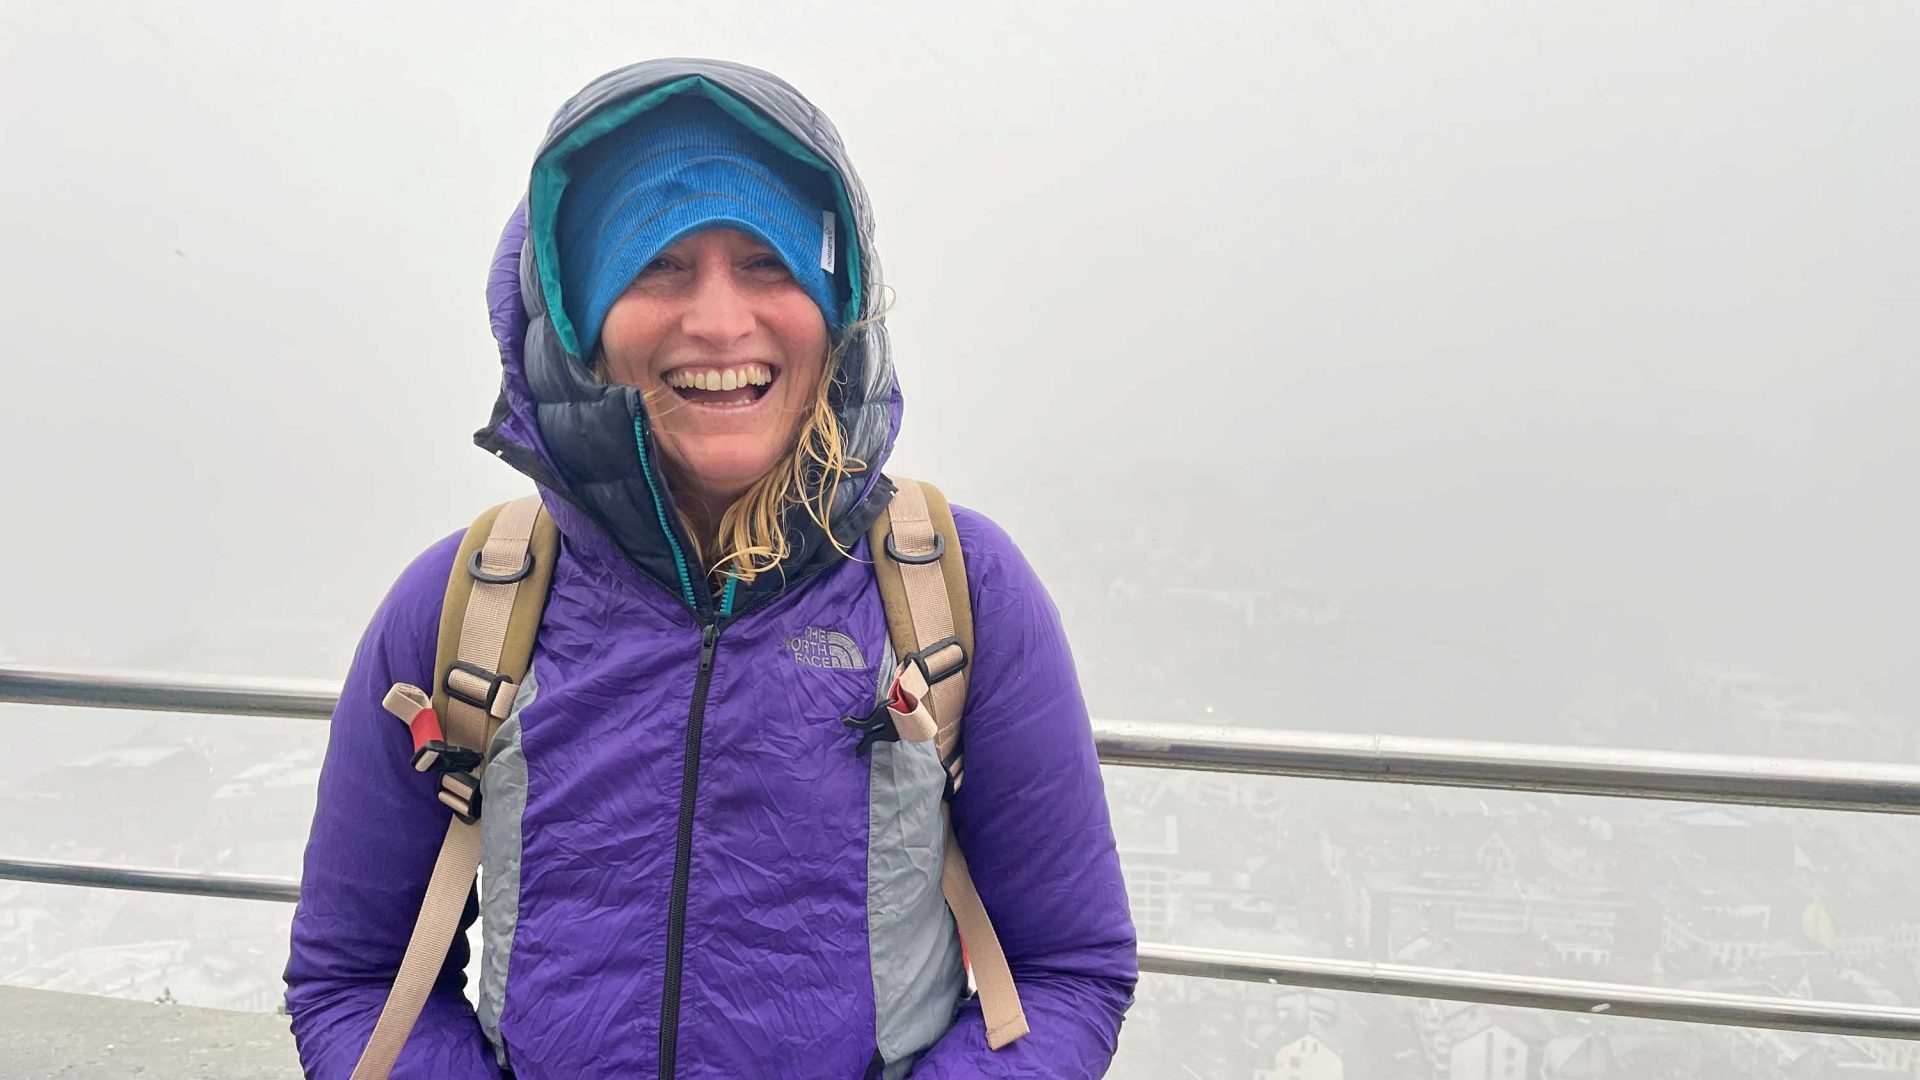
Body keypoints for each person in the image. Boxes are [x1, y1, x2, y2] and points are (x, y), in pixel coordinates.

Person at [282, 58, 1136, 1079]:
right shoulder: (472, 599)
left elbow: (1065, 968)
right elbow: (353, 978)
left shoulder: (956, 588)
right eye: (658, 265)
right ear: (577, 319)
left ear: (839, 303)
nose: (722, 323)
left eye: (769, 263)